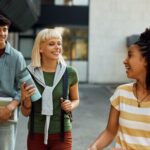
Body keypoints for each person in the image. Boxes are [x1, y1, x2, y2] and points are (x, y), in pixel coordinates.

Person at [88, 28, 150, 150]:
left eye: (130, 55)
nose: (124, 61)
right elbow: (110, 132)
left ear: (146, 60)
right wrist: (93, 147)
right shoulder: (121, 92)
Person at [20, 28, 80, 150]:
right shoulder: (28, 74)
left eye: (59, 43)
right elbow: (25, 113)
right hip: (36, 134)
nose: (57, 47)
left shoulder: (70, 73)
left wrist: (70, 105)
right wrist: (26, 100)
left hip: (62, 134)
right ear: (40, 48)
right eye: (51, 44)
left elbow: (76, 99)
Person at [0, 15, 26, 150]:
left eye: (4, 29)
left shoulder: (17, 57)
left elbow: (25, 87)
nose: (2, 33)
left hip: (7, 114)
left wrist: (9, 108)